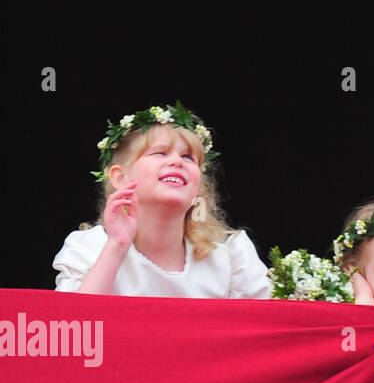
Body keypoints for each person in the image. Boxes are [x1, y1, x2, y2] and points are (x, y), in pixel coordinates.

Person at [53, 103, 270, 298]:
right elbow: (74, 329)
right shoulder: (89, 248)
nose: (177, 161)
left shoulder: (230, 257)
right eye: (160, 153)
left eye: (188, 157)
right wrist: (117, 247)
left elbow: (271, 330)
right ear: (120, 177)